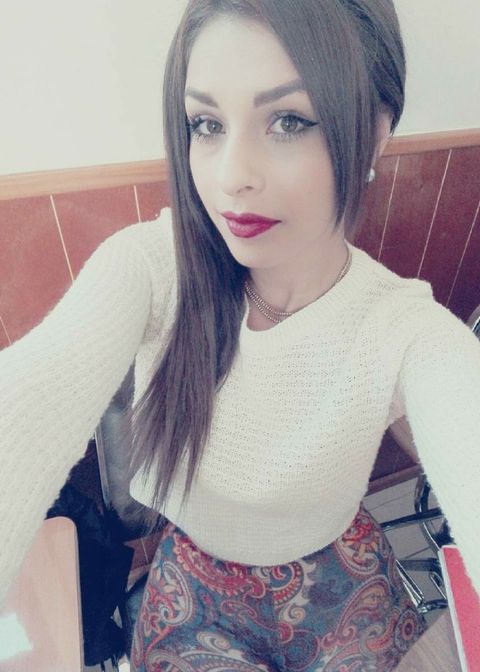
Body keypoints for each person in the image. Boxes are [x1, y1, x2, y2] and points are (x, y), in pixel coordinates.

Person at [1, 0, 479, 670]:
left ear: (374, 133)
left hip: (344, 573)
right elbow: (33, 394)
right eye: (206, 124)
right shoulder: (150, 267)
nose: (230, 176)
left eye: (288, 121)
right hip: (196, 582)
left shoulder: (404, 325)